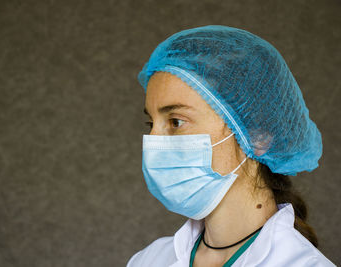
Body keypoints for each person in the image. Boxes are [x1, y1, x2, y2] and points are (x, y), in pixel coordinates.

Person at [127, 25, 336, 267]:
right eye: (150, 123)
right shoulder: (150, 259)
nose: (154, 141)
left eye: (176, 121)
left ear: (257, 137)